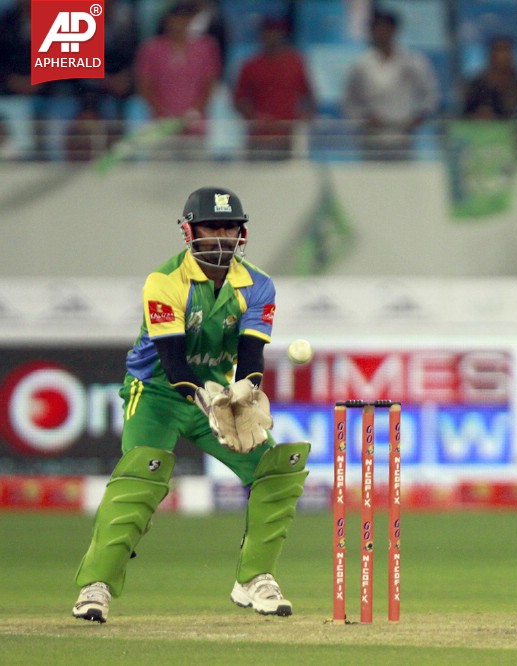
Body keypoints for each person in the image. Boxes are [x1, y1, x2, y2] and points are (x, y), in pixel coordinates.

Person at [72, 186, 310, 623]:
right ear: (189, 231)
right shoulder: (164, 282)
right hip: (157, 393)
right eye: (211, 227)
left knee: (277, 468)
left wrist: (245, 391)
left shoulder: (258, 285)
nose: (220, 237)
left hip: (218, 394)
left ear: (242, 233)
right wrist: (208, 401)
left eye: (229, 228)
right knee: (141, 476)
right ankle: (96, 586)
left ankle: (254, 579)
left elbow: (252, 354)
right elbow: (174, 361)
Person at [342, 8, 439, 160]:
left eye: (385, 28)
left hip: (403, 137)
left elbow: (430, 93)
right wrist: (364, 119)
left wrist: (418, 117)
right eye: (377, 28)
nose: (381, 33)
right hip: (372, 138)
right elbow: (349, 101)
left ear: (394, 30)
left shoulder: (413, 61)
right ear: (371, 31)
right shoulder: (361, 65)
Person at [134, 1, 222, 154]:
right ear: (167, 20)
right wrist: (164, 117)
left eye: (185, 18)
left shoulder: (206, 47)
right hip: (160, 126)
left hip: (195, 126)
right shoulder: (151, 48)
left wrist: (193, 114)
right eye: (176, 18)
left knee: (196, 174)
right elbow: (145, 86)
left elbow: (209, 84)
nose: (180, 23)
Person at [233, 16, 316, 159]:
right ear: (261, 34)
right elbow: (239, 99)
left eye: (276, 32)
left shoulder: (295, 63)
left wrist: (303, 120)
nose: (272, 36)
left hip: (288, 134)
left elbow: (310, 96)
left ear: (283, 34)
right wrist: (255, 118)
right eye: (268, 32)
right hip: (258, 135)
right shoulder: (250, 65)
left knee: (289, 177)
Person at [461, 35, 517, 120]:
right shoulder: (478, 85)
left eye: (507, 50)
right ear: (491, 55)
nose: (505, 55)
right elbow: (466, 115)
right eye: (500, 50)